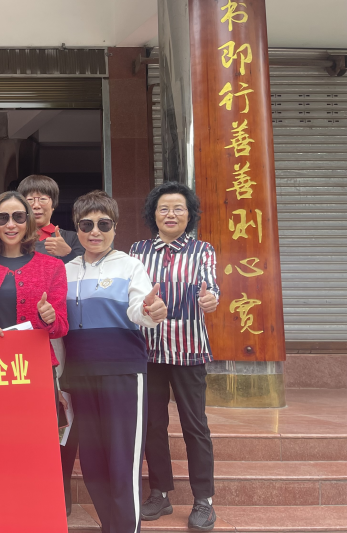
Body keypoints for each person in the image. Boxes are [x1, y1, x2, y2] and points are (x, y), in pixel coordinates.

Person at [62, 190, 167, 533]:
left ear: (115, 227)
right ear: (77, 228)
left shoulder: (130, 266)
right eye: (86, 225)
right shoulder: (65, 270)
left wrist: (151, 311)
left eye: (103, 224)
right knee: (93, 463)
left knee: (123, 461)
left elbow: (140, 308)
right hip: (80, 375)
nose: (95, 231)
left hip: (122, 372)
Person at [130, 182, 219, 531]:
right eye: (164, 208)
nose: (171, 214)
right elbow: (131, 294)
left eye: (178, 208)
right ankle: (160, 493)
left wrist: (210, 298)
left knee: (195, 425)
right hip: (149, 351)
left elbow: (211, 286)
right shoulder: (138, 251)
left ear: (189, 214)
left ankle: (204, 500)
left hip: (189, 350)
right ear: (153, 214)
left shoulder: (202, 250)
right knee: (153, 425)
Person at [0, 191, 68, 414]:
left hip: (36, 366)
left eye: (18, 217)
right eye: (3, 218)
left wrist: (49, 318)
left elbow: (61, 327)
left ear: (28, 221)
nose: (11, 225)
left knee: (37, 432)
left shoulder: (52, 267)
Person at [16, 174, 83, 516]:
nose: (36, 203)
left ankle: (61, 484)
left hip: (57, 339)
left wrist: (70, 255)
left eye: (43, 197)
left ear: (54, 204)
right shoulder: (12, 238)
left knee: (60, 409)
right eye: (29, 197)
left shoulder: (71, 239)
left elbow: (88, 273)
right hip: (16, 341)